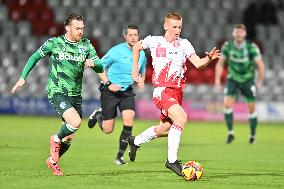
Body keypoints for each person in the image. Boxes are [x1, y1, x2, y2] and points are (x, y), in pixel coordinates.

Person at [11, 13, 103, 176]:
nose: (81, 31)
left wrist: (93, 63)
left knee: (69, 137)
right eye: (77, 28)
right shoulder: (55, 43)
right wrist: (22, 77)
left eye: (82, 28)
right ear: (68, 28)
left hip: (75, 95)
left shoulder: (86, 45)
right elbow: (35, 57)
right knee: (75, 122)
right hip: (57, 91)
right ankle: (54, 139)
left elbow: (100, 66)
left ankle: (52, 161)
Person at [129, 12, 221, 176]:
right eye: (174, 27)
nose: (177, 30)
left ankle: (135, 141)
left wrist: (209, 59)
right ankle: (171, 161)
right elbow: (136, 46)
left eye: (179, 27)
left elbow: (198, 64)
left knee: (165, 128)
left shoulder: (184, 44)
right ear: (166, 26)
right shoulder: (155, 41)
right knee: (181, 118)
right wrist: (135, 68)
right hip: (162, 90)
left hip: (177, 92)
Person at [87, 25, 147, 165]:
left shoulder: (142, 53)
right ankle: (98, 115)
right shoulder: (115, 51)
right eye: (130, 35)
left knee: (129, 119)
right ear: (125, 36)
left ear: (139, 37)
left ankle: (119, 157)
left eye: (135, 35)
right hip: (110, 91)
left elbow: (142, 70)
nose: (133, 37)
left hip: (126, 92)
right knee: (108, 129)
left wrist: (142, 80)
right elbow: (99, 66)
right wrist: (108, 84)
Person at [215, 24, 265, 144]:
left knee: (251, 107)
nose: (238, 34)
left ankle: (252, 135)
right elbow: (220, 64)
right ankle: (230, 133)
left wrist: (260, 80)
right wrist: (217, 80)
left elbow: (260, 65)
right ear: (233, 34)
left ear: (245, 34)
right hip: (233, 79)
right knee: (227, 104)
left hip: (248, 80)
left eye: (241, 32)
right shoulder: (228, 46)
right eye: (236, 32)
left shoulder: (251, 47)